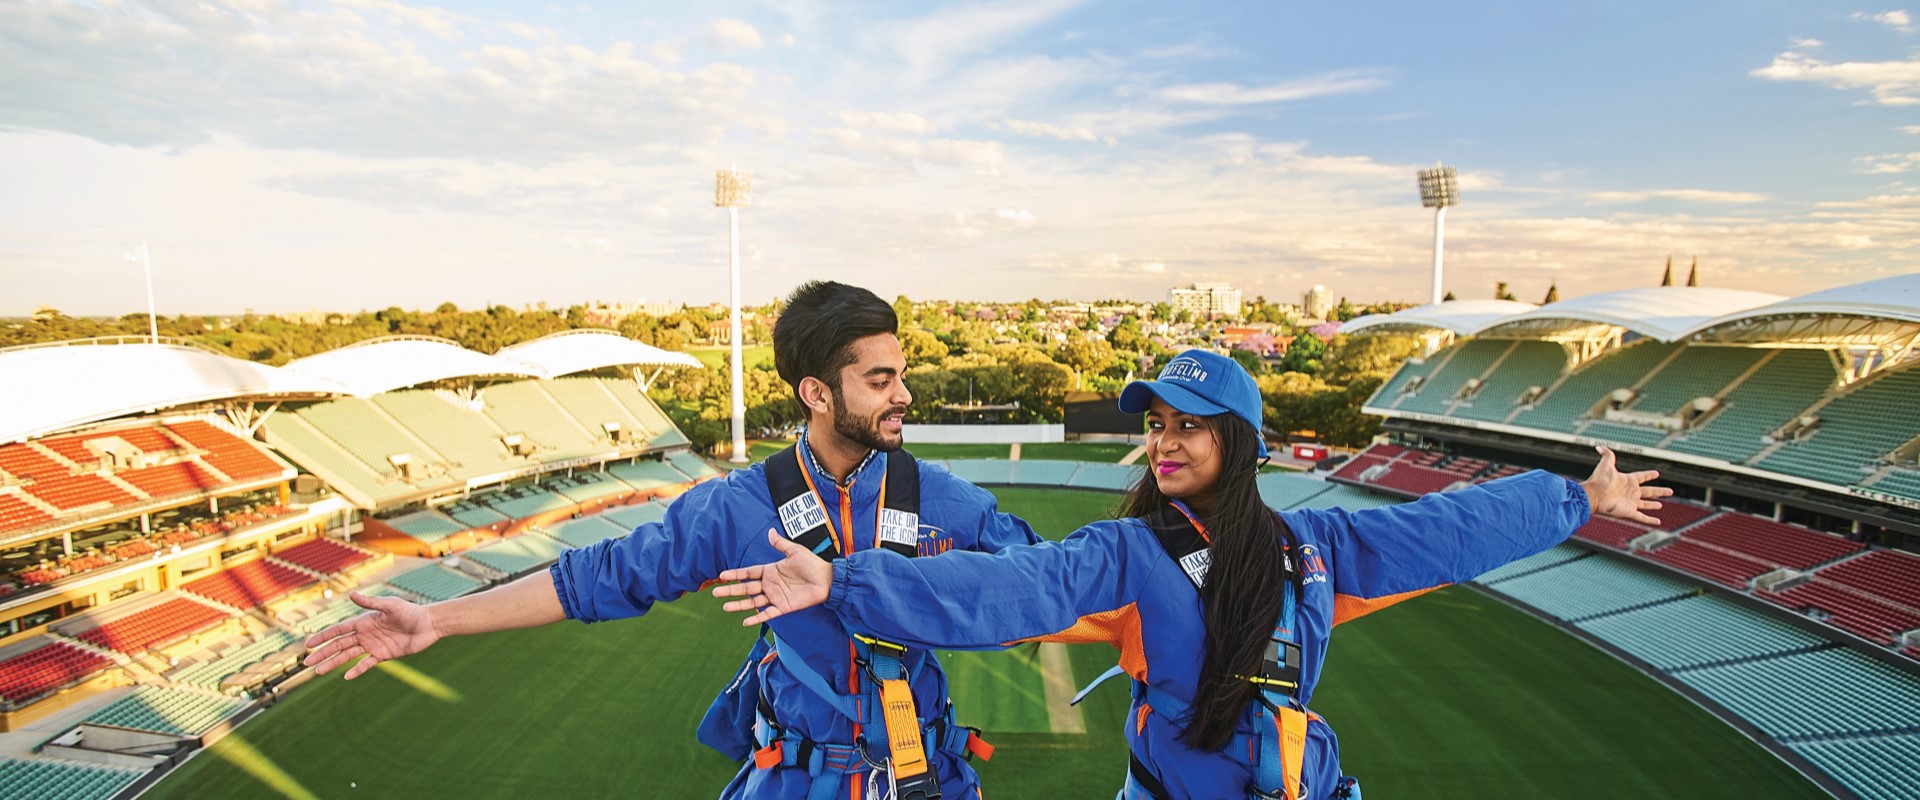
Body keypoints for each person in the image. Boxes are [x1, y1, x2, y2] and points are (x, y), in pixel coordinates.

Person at [714, 349, 1669, 800]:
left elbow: (1450, 526)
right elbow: (1004, 592)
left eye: (1189, 425)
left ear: (1237, 441)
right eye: (1157, 425)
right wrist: (846, 586)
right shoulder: (1129, 553)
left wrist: (1579, 501)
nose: (1164, 444)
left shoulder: (1313, 550)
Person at [304, 281, 1041, 799]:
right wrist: (437, 618)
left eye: (901, 376)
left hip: (925, 781)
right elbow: (594, 578)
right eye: (881, 381)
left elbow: (1048, 591)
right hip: (799, 784)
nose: (904, 396)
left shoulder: (946, 500)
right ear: (817, 394)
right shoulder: (737, 509)